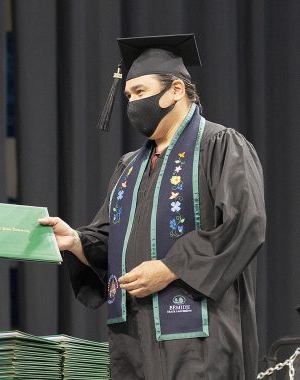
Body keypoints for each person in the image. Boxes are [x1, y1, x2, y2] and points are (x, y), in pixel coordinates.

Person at [40, 34, 266, 379]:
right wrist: (75, 241)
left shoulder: (220, 145)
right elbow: (110, 240)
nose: (132, 103)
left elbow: (244, 224)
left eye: (141, 92)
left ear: (176, 89)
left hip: (199, 333)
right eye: (128, 95)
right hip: (133, 337)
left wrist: (171, 267)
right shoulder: (130, 166)